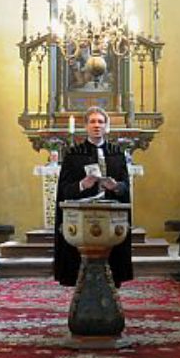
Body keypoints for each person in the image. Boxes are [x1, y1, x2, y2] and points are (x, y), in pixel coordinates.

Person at [53, 106, 132, 287]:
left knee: (111, 262)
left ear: (107, 127)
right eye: (93, 122)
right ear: (86, 126)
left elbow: (125, 186)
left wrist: (116, 186)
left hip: (110, 213)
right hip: (84, 215)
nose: (97, 126)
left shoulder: (117, 153)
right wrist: (82, 185)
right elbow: (64, 190)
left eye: (101, 122)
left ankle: (111, 279)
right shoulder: (73, 154)